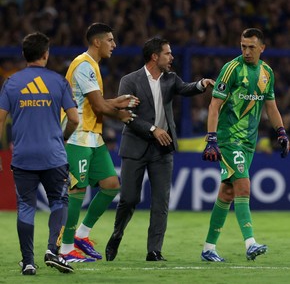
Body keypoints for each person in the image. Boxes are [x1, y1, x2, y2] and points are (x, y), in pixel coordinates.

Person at [105, 37, 215, 261]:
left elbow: (185, 88)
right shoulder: (130, 80)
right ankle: (117, 234)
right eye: (168, 53)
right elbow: (127, 116)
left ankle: (154, 250)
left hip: (162, 149)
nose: (172, 57)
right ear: (155, 57)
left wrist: (201, 84)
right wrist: (153, 129)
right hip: (135, 146)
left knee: (161, 202)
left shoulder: (170, 78)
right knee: (129, 199)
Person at [201, 28, 289, 262]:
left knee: (227, 193)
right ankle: (250, 243)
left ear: (262, 48)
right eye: (243, 46)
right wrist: (211, 139)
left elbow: (271, 106)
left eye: (251, 47)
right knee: (243, 187)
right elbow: (214, 106)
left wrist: (281, 132)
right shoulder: (231, 69)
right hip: (230, 139)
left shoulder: (266, 73)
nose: (246, 51)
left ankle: (208, 248)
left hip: (249, 142)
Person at [0, 32, 79, 275]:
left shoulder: (11, 82)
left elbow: (0, 121)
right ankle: (52, 252)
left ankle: (28, 262)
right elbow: (74, 119)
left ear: (24, 55)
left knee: (25, 205)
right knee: (60, 200)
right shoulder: (58, 82)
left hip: (23, 156)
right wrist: (63, 138)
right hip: (53, 155)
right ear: (46, 54)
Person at [59, 22, 139, 262]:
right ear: (97, 41)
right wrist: (120, 111)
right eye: (110, 40)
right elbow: (98, 105)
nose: (114, 45)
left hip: (93, 135)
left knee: (111, 184)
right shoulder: (83, 65)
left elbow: (98, 102)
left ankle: (82, 235)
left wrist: (117, 102)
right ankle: (65, 249)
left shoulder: (92, 66)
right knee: (77, 189)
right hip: (77, 136)